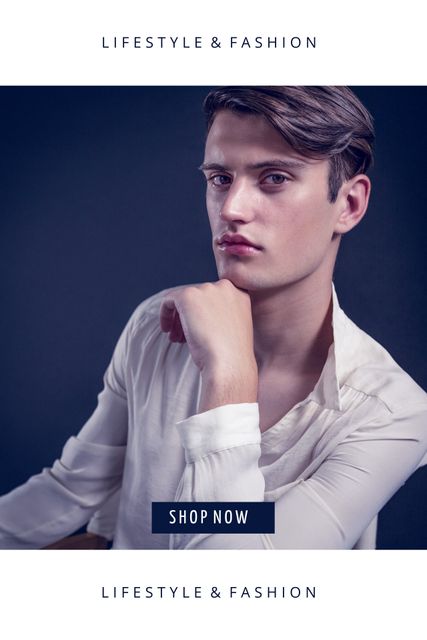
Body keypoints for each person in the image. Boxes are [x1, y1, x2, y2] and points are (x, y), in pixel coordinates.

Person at [0, 86, 426, 550]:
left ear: (348, 205)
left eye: (275, 178)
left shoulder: (395, 414)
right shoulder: (156, 326)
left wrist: (229, 375)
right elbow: (70, 489)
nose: (231, 209)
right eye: (220, 178)